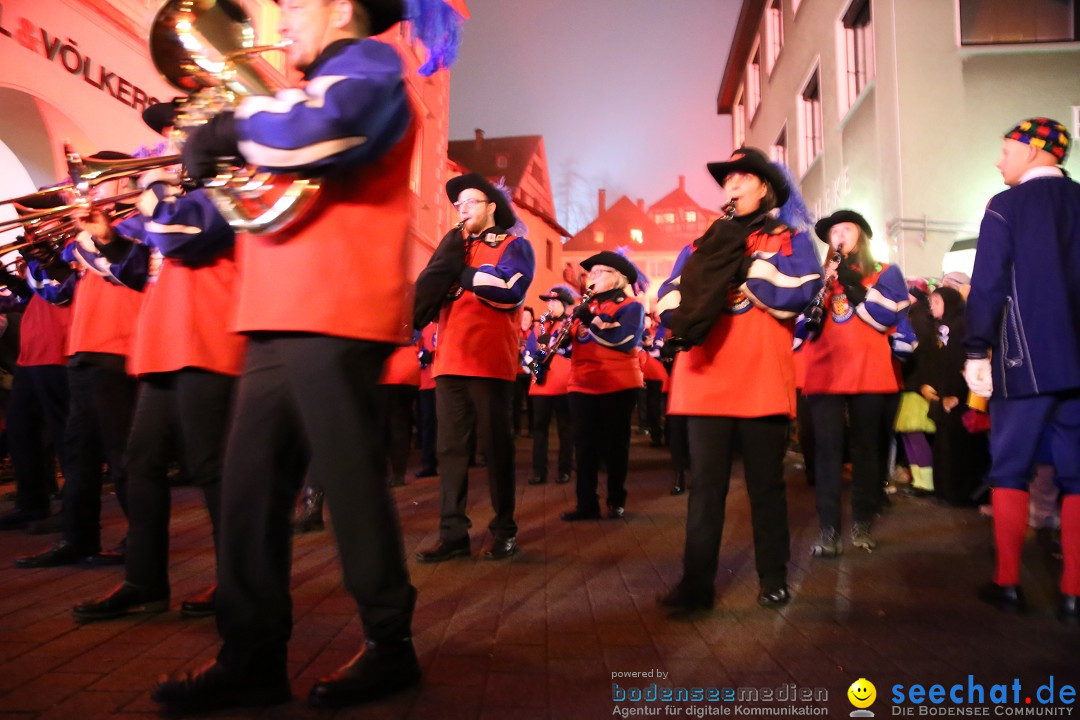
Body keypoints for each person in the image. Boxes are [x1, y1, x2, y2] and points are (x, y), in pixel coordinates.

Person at [152, 0, 424, 711]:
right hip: (277, 311)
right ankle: (251, 654)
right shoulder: (290, 93)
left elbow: (329, 132)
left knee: (350, 481)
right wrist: (199, 164)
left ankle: (391, 645)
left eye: (299, 3)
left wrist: (235, 126)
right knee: (248, 491)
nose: (285, 19)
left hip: (336, 306)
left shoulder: (369, 64)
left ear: (342, 7)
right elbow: (222, 215)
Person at [71, 112, 246, 622]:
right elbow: (139, 271)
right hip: (165, 342)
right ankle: (144, 582)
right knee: (140, 464)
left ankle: (238, 582)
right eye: (171, 131)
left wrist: (156, 194)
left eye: (183, 130)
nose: (172, 140)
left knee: (212, 470)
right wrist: (109, 240)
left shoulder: (228, 191)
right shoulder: (178, 198)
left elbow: (177, 238)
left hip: (208, 339)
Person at [656, 147, 822, 614]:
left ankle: (773, 577)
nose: (730, 186)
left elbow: (803, 289)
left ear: (764, 188)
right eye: (726, 181)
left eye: (741, 179)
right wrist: (688, 309)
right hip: (705, 376)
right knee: (705, 489)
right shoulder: (699, 243)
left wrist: (743, 267)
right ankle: (696, 586)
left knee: (765, 486)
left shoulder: (790, 239)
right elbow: (669, 296)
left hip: (760, 377)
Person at [963, 117, 1080, 623]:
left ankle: (1008, 580)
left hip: (1024, 360)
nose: (999, 159)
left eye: (1006, 149)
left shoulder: (1005, 206)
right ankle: (1074, 590)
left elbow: (987, 284)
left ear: (1034, 152)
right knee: (1078, 479)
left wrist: (975, 350)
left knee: (1009, 469)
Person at [413, 172, 535, 562]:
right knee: (449, 451)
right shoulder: (454, 248)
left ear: (491, 206)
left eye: (471, 202)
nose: (462, 209)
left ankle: (505, 530)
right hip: (449, 361)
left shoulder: (515, 245)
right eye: (458, 204)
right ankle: (453, 534)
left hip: (490, 362)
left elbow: (509, 290)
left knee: (496, 449)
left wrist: (459, 274)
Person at [800, 210, 909, 556]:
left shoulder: (884, 273)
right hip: (825, 371)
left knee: (866, 451)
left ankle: (862, 520)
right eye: (834, 232)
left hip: (868, 371)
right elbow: (799, 326)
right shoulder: (817, 277)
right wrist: (820, 290)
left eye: (846, 229)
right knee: (827, 453)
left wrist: (852, 284)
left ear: (861, 235)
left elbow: (890, 315)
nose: (839, 236)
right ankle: (828, 528)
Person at [558, 254, 644, 521]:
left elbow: (624, 339)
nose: (591, 277)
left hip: (617, 384)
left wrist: (589, 320)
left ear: (617, 277)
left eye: (599, 272)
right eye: (590, 273)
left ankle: (616, 499)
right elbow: (574, 345)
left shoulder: (631, 306)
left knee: (615, 445)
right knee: (584, 446)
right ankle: (586, 503)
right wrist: (559, 340)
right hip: (582, 383)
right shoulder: (586, 306)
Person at [525, 285, 575, 486]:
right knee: (539, 430)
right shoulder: (540, 327)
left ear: (564, 305)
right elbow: (528, 354)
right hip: (541, 386)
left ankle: (565, 470)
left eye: (555, 302)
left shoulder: (570, 327)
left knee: (566, 429)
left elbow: (576, 352)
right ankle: (539, 471)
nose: (551, 305)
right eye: (549, 302)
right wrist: (537, 371)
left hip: (564, 385)